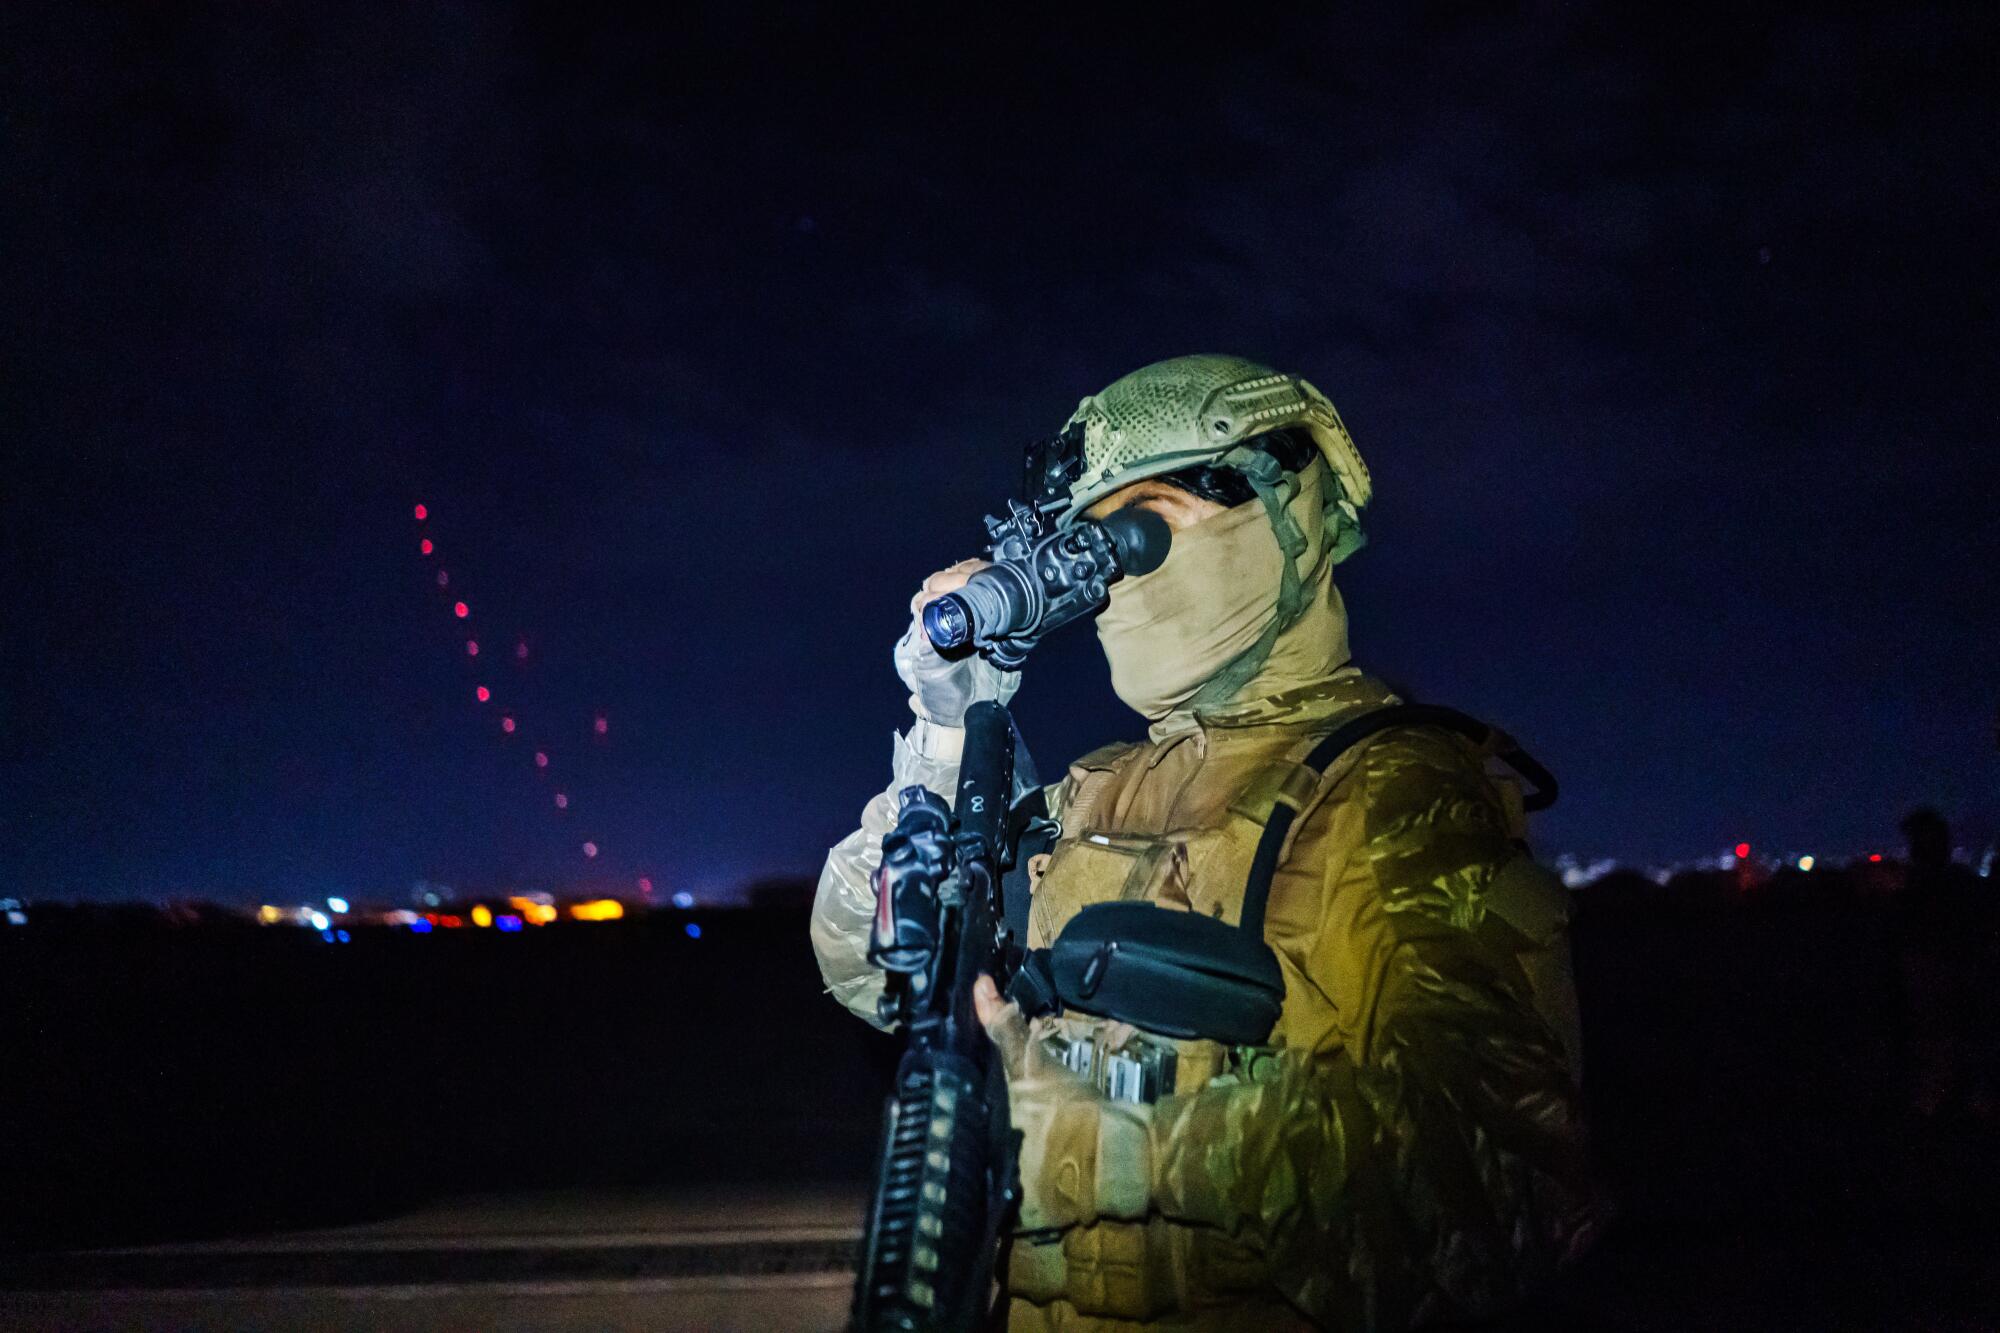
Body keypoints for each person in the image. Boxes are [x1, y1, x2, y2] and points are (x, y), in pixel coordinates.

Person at [812, 355, 1600, 1330]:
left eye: (1147, 530)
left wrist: (1127, 1152)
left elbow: (1496, 1183)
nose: (1120, 577)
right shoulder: (1096, 790)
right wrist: (943, 736)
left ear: (1283, 513)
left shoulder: (1389, 789)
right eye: (1096, 546)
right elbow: (874, 969)